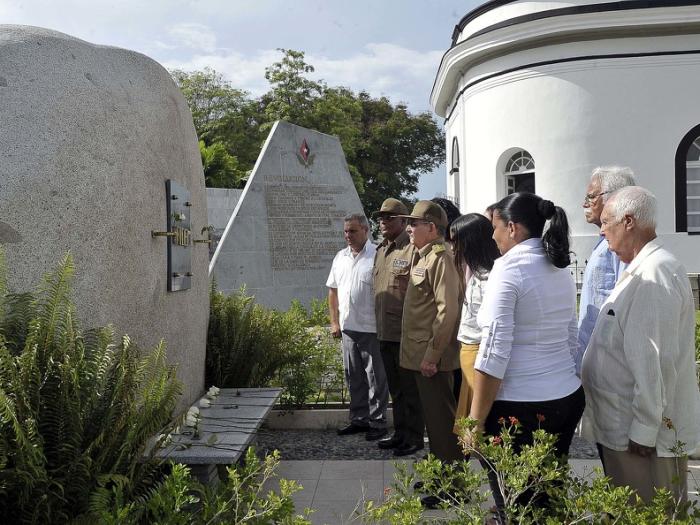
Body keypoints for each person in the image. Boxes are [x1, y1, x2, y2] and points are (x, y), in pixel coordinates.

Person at [467, 192, 585, 521]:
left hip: (520, 406)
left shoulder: (508, 270)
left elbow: (493, 351)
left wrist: (473, 422)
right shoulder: (558, 265)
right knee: (548, 497)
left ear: (513, 228)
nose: (492, 236)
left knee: (516, 502)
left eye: (495, 227)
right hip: (565, 396)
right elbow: (570, 335)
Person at [582, 186, 700, 503]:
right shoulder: (641, 268)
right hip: (624, 430)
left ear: (629, 221)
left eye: (607, 222)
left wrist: (644, 430)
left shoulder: (655, 272)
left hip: (639, 439)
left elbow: (653, 358)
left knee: (648, 512)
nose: (602, 231)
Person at [398, 201, 463, 467]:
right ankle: (440, 475)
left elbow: (447, 311)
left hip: (431, 359)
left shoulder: (441, 257)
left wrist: (433, 356)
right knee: (433, 422)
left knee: (441, 422)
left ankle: (451, 484)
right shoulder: (423, 256)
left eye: (414, 223)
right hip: (419, 354)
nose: (409, 228)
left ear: (432, 227)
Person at [327, 213, 389, 441]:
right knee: (353, 377)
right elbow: (332, 291)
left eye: (352, 231)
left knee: (375, 377)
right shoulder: (340, 257)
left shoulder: (378, 254)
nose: (347, 236)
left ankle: (378, 422)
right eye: (345, 231)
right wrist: (334, 321)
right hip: (348, 328)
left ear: (365, 230)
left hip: (372, 328)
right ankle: (359, 419)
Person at [372, 198, 425, 456]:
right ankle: (401, 432)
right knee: (396, 390)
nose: (383, 221)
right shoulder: (381, 250)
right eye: (381, 217)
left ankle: (414, 437)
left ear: (404, 221)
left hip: (405, 334)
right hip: (385, 332)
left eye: (389, 217)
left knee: (410, 391)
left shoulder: (413, 250)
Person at [575, 166, 635, 375]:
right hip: (592, 356)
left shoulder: (623, 243)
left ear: (613, 198)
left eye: (591, 197)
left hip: (608, 362)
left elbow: (624, 304)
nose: (585, 203)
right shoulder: (604, 242)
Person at [449, 214, 500, 433]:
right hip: (469, 352)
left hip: (479, 355)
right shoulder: (478, 274)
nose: (452, 248)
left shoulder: (490, 278)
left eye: (455, 242)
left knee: (478, 430)